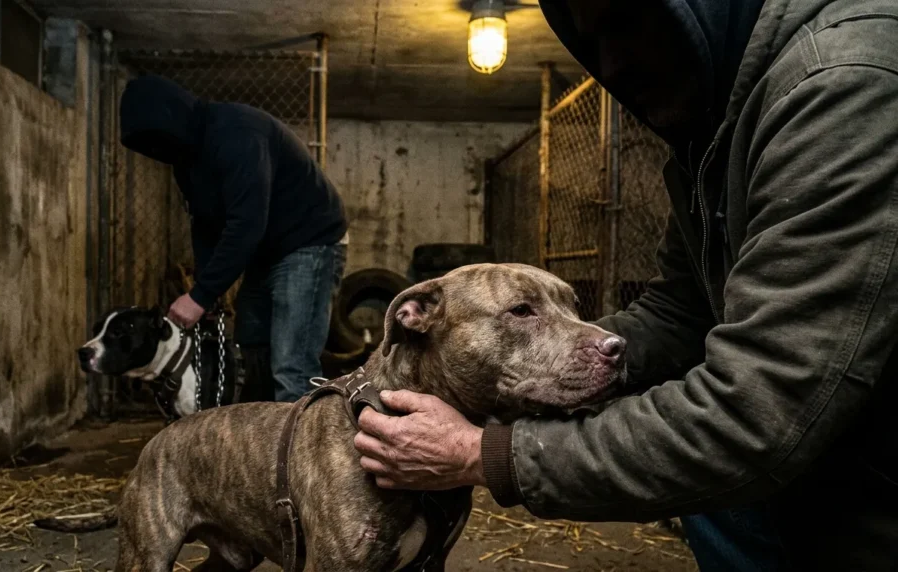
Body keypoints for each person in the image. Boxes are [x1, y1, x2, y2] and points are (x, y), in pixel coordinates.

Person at [353, 0, 898, 569]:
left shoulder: (840, 90)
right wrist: (572, 355)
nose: (608, 66)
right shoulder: (712, 139)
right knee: (703, 492)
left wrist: (480, 453)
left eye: (626, 23)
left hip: (868, 468)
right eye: (591, 43)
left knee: (706, 474)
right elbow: (677, 314)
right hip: (811, 436)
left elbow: (762, 408)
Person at [119, 75, 348, 403]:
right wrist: (207, 290)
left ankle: (304, 436)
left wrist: (199, 297)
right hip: (267, 249)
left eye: (156, 140)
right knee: (251, 344)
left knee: (292, 365)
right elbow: (205, 224)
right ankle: (265, 430)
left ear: (171, 119)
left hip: (310, 242)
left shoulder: (239, 134)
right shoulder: (187, 158)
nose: (156, 151)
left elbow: (246, 224)